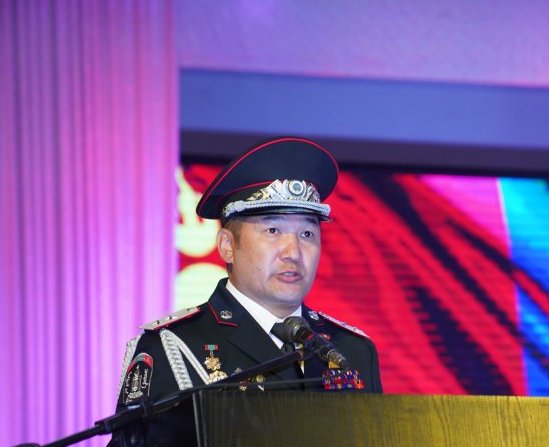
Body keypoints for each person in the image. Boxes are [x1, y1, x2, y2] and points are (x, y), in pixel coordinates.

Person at [116, 136, 382, 406]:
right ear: (227, 246)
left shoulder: (352, 350)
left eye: (307, 234)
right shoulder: (171, 346)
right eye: (273, 231)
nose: (293, 252)